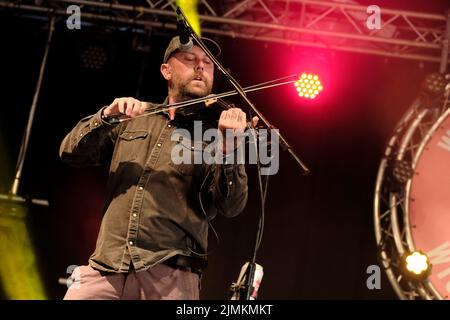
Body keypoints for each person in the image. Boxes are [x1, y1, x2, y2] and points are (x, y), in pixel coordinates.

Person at [60, 36, 257, 300]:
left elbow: (231, 206)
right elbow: (70, 153)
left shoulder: (214, 134)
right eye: (189, 59)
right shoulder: (134, 118)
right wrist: (106, 116)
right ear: (166, 70)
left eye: (207, 64)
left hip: (170, 279)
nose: (200, 67)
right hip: (107, 268)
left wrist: (229, 149)